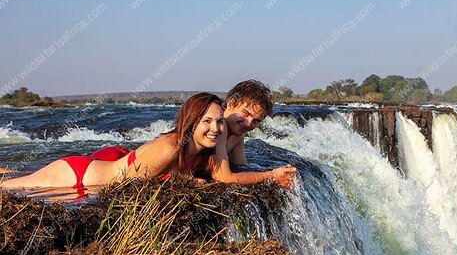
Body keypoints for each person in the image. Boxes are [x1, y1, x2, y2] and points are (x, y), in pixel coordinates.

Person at [1, 86, 295, 191]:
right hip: (80, 176)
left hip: (117, 160)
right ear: (191, 122)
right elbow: (129, 184)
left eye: (218, 122)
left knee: (18, 175)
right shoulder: (171, 148)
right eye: (207, 121)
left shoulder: (218, 138)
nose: (216, 128)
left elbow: (231, 173)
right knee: (12, 187)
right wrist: (270, 176)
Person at [211, 80, 296, 188]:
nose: (248, 123)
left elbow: (242, 167)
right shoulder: (218, 125)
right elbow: (223, 178)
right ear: (230, 103)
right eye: (245, 113)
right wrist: (272, 176)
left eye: (255, 121)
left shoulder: (238, 136)